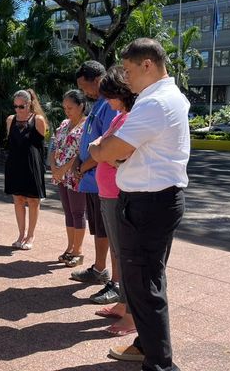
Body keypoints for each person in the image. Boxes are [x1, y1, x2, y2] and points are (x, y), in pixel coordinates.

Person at [89, 38, 189, 371]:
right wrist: (109, 148)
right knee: (145, 280)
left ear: (147, 64)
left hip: (148, 204)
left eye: (129, 70)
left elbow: (108, 151)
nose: (126, 79)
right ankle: (146, 346)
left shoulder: (154, 103)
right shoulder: (164, 98)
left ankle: (160, 364)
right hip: (157, 201)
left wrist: (100, 148)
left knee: (144, 285)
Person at [70, 61, 119, 305]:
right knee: (99, 229)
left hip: (104, 181)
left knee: (111, 232)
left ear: (97, 79)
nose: (84, 91)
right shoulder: (98, 104)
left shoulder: (110, 104)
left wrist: (84, 165)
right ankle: (99, 269)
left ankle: (116, 282)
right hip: (92, 181)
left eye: (84, 86)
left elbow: (108, 143)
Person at [94, 66, 137, 336]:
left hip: (117, 192)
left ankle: (132, 313)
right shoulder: (118, 116)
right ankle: (123, 303)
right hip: (107, 191)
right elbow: (101, 145)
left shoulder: (129, 118)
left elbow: (112, 153)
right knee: (118, 252)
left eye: (110, 96)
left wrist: (101, 150)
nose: (107, 102)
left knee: (126, 254)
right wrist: (100, 148)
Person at [4, 89, 47, 250]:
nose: (18, 110)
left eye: (21, 106)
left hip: (32, 165)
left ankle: (31, 235)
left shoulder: (38, 120)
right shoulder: (10, 120)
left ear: (29, 104)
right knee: (18, 200)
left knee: (33, 201)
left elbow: (40, 147)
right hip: (15, 164)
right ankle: (21, 234)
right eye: (15, 106)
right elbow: (11, 143)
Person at [49, 90, 88, 267]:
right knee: (68, 212)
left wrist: (64, 168)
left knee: (78, 212)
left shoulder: (87, 125)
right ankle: (70, 247)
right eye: (65, 108)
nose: (67, 111)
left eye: (70, 107)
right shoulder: (64, 124)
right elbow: (54, 145)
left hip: (75, 174)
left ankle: (78, 251)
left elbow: (82, 151)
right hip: (61, 175)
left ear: (81, 106)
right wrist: (54, 168)